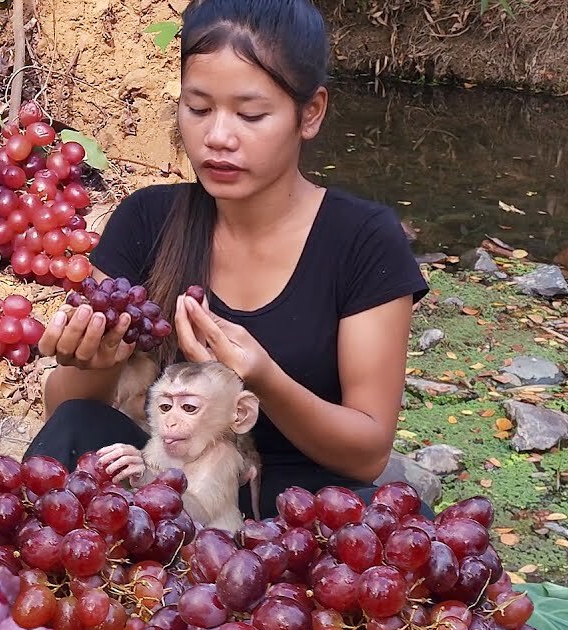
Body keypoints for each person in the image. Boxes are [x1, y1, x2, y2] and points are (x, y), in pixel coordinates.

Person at [25, 0, 428, 521]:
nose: (217, 137)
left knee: (396, 527)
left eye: (250, 114)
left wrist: (261, 377)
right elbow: (69, 414)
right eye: (198, 108)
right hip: (167, 495)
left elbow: (368, 453)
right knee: (76, 425)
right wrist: (94, 367)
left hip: (301, 514)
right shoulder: (147, 221)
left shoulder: (363, 240)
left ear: (311, 113)